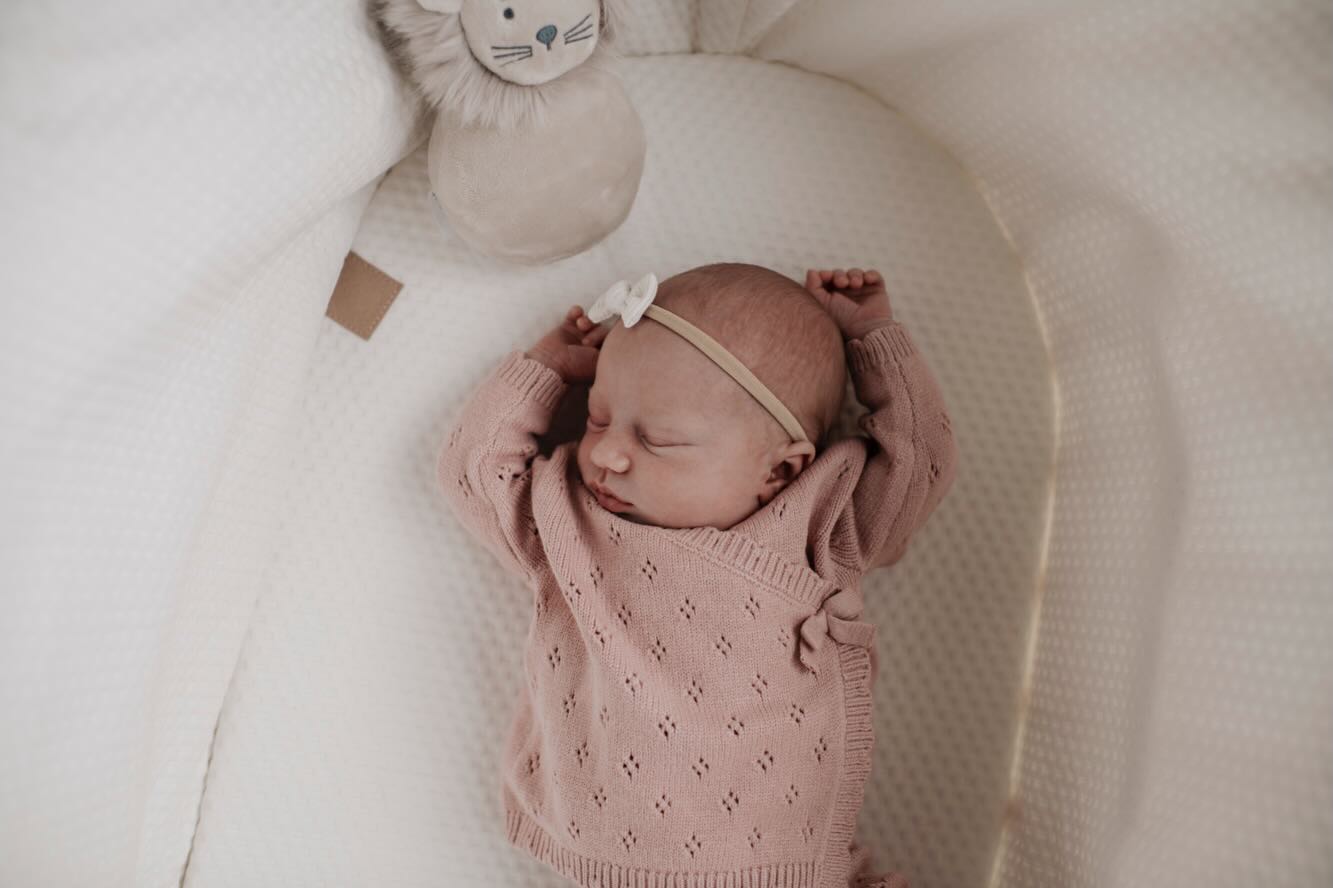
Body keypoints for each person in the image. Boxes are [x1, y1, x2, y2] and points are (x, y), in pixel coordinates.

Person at [438, 262, 955, 886]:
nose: (604, 451)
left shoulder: (819, 522)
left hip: (781, 865)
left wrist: (874, 341)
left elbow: (918, 463)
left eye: (660, 441)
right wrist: (544, 373)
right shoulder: (566, 522)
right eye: (598, 415)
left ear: (780, 472)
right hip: (602, 851)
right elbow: (473, 470)